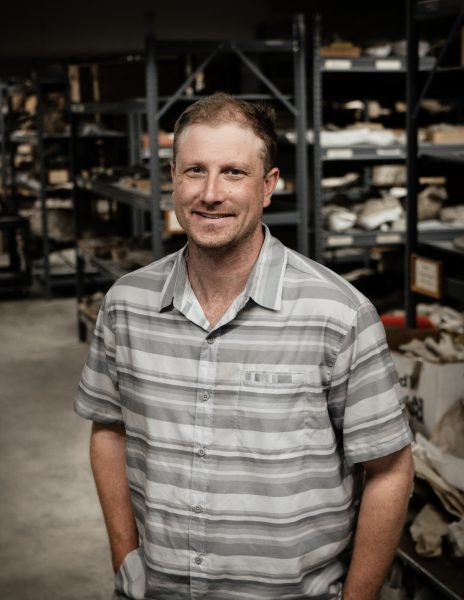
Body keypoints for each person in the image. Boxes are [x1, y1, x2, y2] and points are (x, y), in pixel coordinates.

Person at [75, 92, 414, 600]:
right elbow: (109, 428)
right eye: (195, 170)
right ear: (173, 179)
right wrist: (125, 556)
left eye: (234, 172)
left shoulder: (338, 314)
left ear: (269, 186)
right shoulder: (126, 304)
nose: (211, 193)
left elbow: (389, 468)